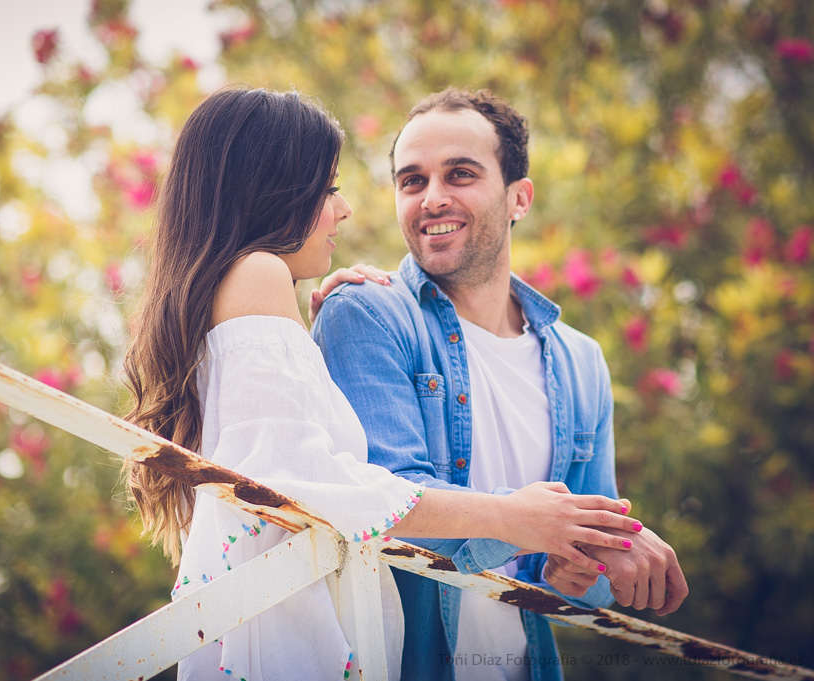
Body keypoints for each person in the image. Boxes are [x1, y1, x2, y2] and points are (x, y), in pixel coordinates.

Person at [121, 87, 644, 681]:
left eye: (461, 173)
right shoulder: (264, 275)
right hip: (290, 638)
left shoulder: (254, 286)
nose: (342, 210)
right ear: (272, 191)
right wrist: (508, 517)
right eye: (328, 188)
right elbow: (310, 481)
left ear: (519, 197)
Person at [310, 87, 689, 681]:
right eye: (411, 181)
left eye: (460, 174)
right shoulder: (367, 314)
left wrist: (585, 565)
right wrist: (522, 521)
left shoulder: (581, 362)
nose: (432, 199)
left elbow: (581, 589)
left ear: (519, 198)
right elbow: (382, 503)